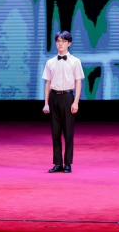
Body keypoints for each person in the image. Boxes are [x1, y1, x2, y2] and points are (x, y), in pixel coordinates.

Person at [42, 31, 84, 173]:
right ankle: (58, 163)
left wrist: (76, 102)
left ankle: (68, 163)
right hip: (54, 97)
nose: (60, 44)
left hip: (67, 97)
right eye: (58, 41)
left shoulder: (75, 61)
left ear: (69, 43)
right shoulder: (50, 62)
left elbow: (78, 82)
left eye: (64, 41)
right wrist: (46, 103)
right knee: (55, 132)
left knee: (68, 132)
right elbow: (48, 83)